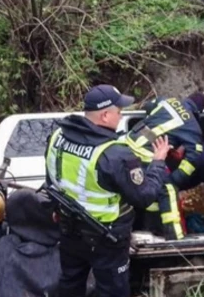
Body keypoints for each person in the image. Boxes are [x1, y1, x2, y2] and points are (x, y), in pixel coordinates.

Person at [44, 84, 171, 297]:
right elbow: (144, 197)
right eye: (119, 112)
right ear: (104, 115)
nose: (121, 116)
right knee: (113, 291)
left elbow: (52, 176)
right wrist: (158, 162)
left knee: (70, 283)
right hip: (105, 237)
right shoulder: (114, 154)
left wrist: (56, 208)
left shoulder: (58, 136)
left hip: (69, 229)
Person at [121, 93, 204, 240]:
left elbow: (149, 107)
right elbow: (193, 159)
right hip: (145, 156)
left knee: (137, 193)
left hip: (127, 144)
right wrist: (175, 179)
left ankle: (143, 228)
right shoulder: (193, 127)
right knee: (168, 191)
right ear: (198, 112)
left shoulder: (167, 100)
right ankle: (175, 238)